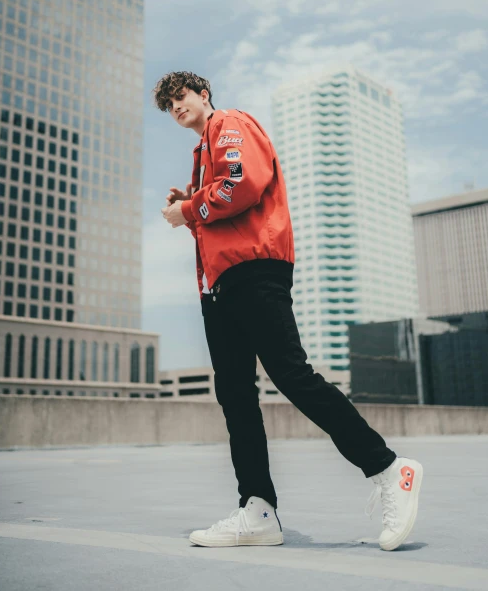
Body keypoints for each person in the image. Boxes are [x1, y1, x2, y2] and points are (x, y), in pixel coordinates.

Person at [154, 70, 423, 551]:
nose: (175, 106)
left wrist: (190, 210)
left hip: (254, 271)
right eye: (167, 105)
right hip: (220, 284)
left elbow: (243, 181)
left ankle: (388, 469)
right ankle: (257, 509)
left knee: (293, 376)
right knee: (235, 396)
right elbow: (220, 199)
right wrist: (191, 201)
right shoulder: (202, 149)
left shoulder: (228, 122)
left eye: (181, 96)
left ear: (203, 94)